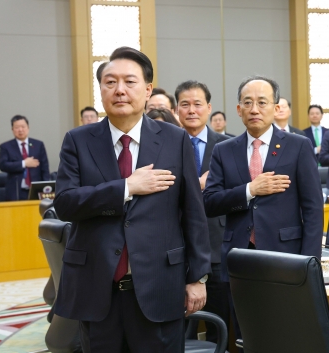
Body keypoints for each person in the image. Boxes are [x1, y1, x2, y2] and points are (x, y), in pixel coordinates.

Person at [53, 46, 211, 352]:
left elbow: (193, 211)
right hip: (97, 288)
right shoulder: (78, 140)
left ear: (148, 89)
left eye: (129, 81)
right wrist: (126, 187)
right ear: (101, 89)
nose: (119, 90)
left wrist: (198, 277)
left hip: (160, 287)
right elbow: (66, 203)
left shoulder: (174, 139)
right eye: (110, 82)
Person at [203, 75, 323, 342]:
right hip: (240, 259)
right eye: (247, 102)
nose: (254, 109)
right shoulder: (224, 150)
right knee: (248, 335)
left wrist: (309, 264)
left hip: (287, 258)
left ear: (275, 107)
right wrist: (250, 190)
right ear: (238, 109)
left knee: (286, 335)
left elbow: (313, 209)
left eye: (261, 102)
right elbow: (209, 202)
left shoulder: (298, 145)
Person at [174, 80, 230, 344]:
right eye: (185, 104)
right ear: (176, 110)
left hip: (217, 245)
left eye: (198, 104)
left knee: (220, 325)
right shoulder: (164, 145)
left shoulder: (228, 146)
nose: (191, 110)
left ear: (209, 108)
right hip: (174, 245)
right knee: (176, 328)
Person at [0, 115, 50, 201]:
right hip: (16, 191)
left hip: (36, 189)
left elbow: (45, 168)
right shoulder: (6, 146)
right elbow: (3, 165)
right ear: (12, 129)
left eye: (23, 126)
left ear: (28, 128)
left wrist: (46, 189)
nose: (20, 130)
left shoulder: (38, 145)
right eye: (17, 127)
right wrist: (24, 163)